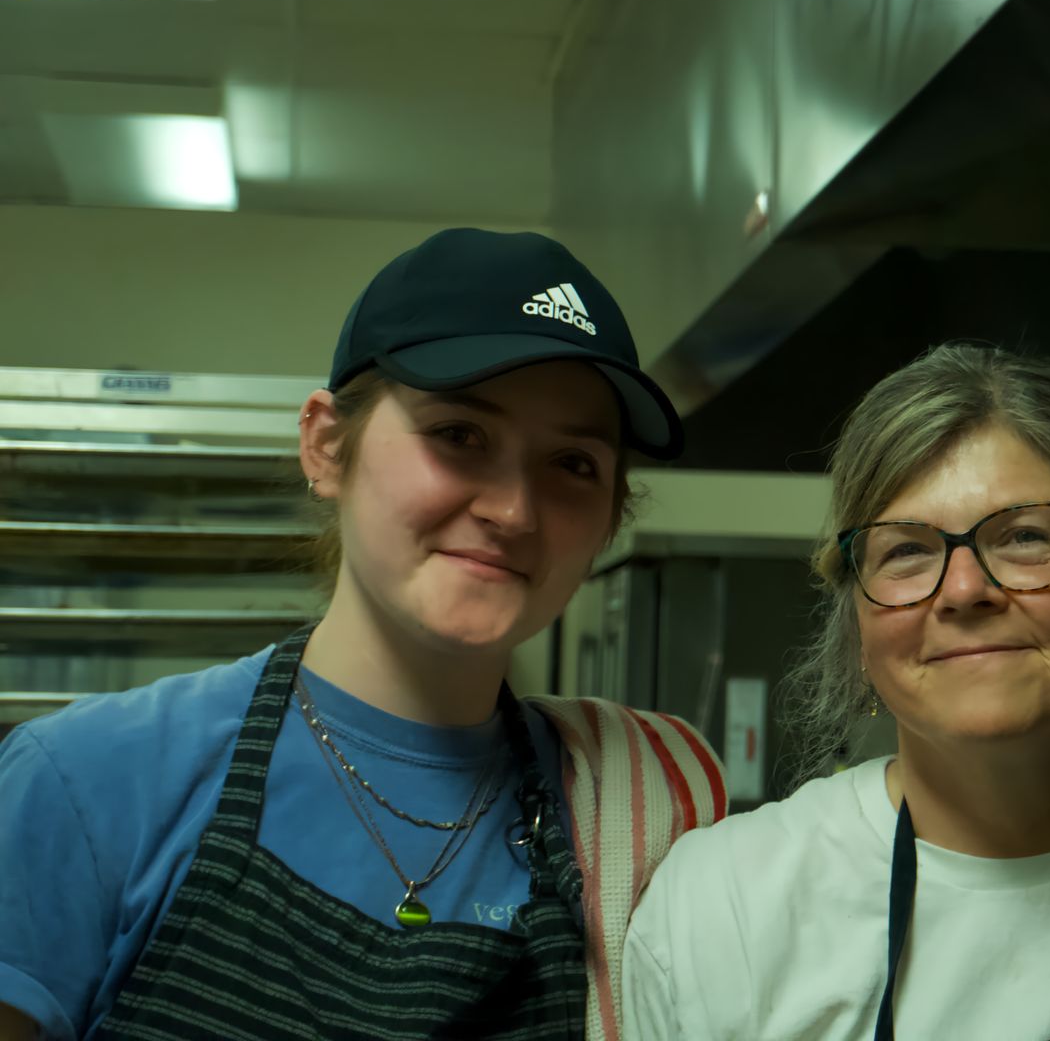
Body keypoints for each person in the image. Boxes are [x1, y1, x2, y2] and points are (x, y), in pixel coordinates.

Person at [0, 229, 724, 1041]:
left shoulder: (636, 808)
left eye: (573, 464)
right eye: (459, 435)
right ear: (326, 445)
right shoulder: (88, 782)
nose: (514, 510)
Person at [624, 344, 1050, 1039]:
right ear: (858, 634)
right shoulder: (723, 909)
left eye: (1026, 536)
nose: (966, 590)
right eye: (907, 550)